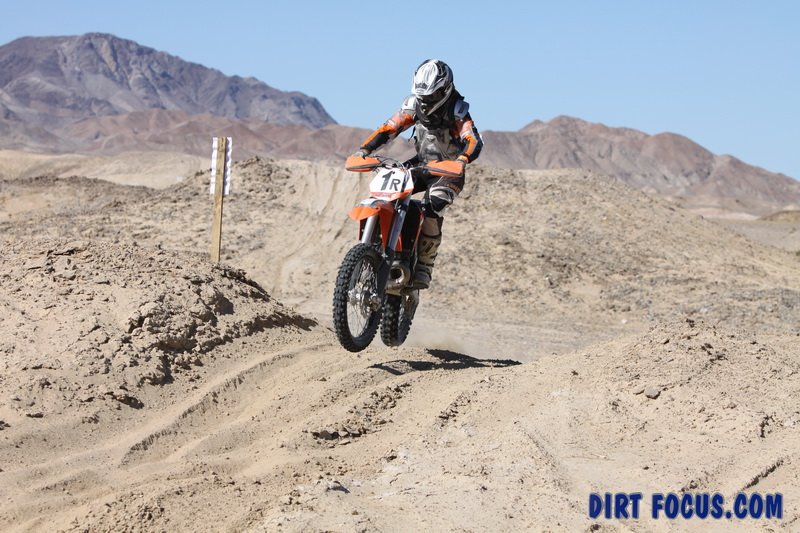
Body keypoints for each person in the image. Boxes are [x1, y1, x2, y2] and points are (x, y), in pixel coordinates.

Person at [352, 59, 483, 289]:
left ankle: (424, 265)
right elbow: (389, 129)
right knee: (388, 193)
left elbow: (473, 139)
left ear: (444, 89)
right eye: (423, 95)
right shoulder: (413, 105)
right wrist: (364, 150)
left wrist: (462, 160)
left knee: (432, 206)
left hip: (449, 170)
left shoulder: (457, 110)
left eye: (431, 95)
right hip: (421, 164)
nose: (426, 100)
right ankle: (379, 249)